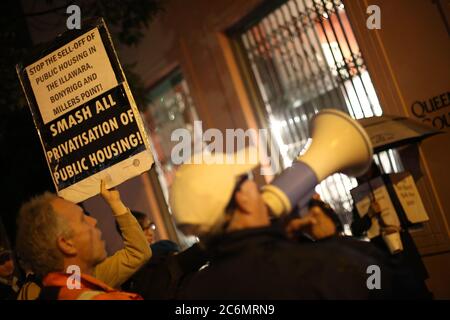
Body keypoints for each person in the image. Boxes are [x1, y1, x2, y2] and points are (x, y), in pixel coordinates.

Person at [170, 148, 394, 299]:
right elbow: (385, 283)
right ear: (242, 200)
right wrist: (332, 241)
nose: (258, 188)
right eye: (247, 180)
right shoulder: (318, 267)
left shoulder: (195, 291)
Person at [15, 181, 151, 300]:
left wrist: (115, 202)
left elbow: (137, 253)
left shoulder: (81, 280)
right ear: (66, 243)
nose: (94, 221)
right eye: (82, 219)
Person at [120, 211, 208, 299]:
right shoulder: (158, 254)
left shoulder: (127, 276)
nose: (150, 232)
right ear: (129, 237)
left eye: (150, 226)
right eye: (143, 229)